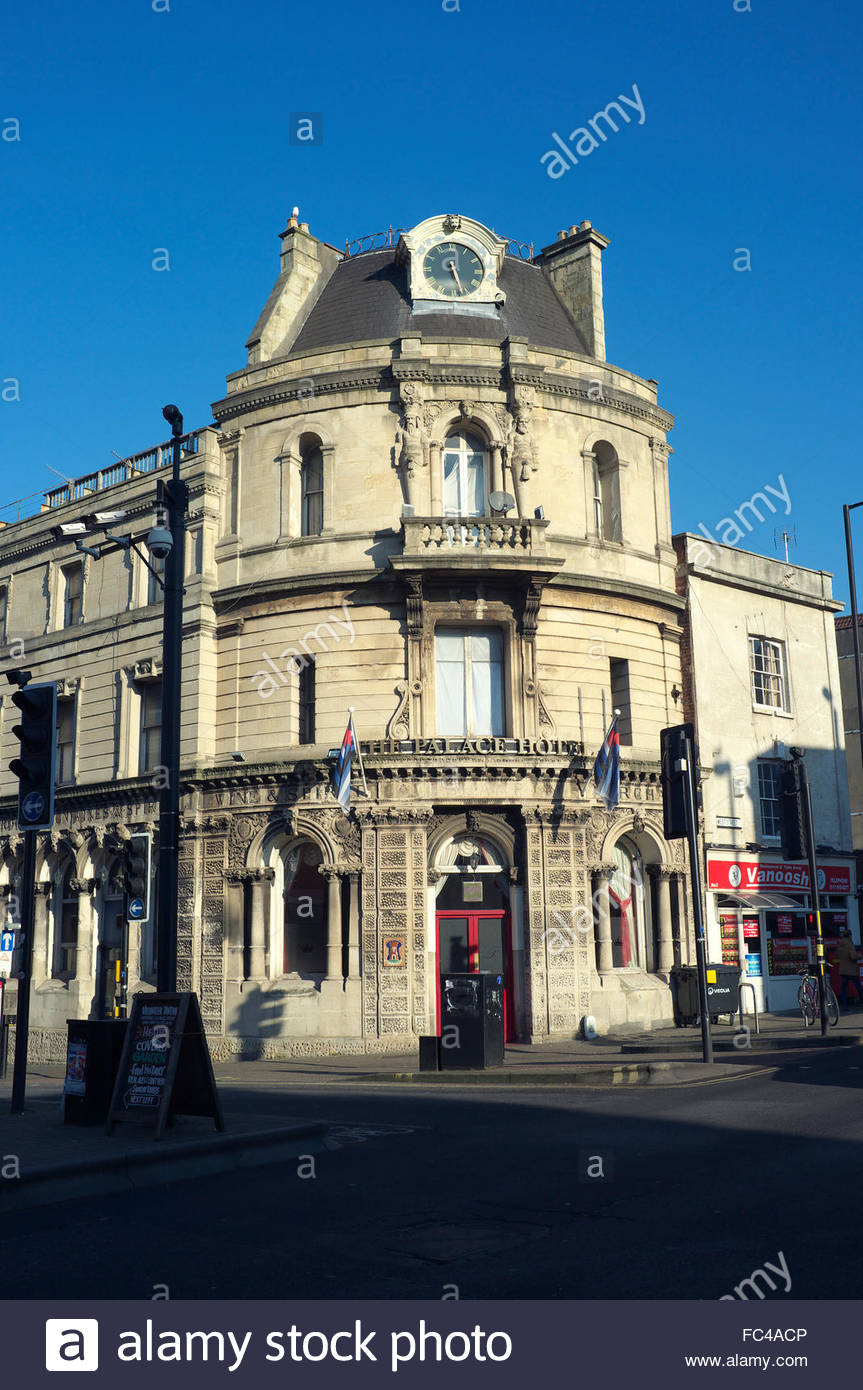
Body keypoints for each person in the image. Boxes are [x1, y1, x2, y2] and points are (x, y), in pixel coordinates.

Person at [834, 930, 863, 1007]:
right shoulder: (849, 945)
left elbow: (836, 955)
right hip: (851, 970)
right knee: (858, 987)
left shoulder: (840, 945)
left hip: (843, 970)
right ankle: (862, 1001)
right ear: (850, 935)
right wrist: (860, 956)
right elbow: (853, 956)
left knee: (844, 989)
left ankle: (844, 1005)